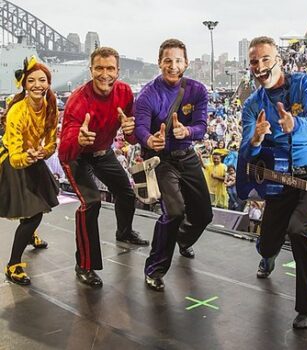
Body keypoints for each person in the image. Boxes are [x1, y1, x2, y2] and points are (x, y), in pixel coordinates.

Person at [238, 36, 307, 329]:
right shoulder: (253, 105)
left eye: (266, 59)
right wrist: (255, 139)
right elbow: (244, 151)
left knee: (300, 230)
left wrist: (295, 124)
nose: (260, 66)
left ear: (278, 60)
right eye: (254, 61)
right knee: (267, 244)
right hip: (280, 178)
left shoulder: (304, 84)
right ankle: (268, 256)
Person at [58, 47, 149, 288]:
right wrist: (78, 140)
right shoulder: (78, 101)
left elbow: (131, 136)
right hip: (77, 155)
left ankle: (124, 232)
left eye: (110, 68)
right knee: (91, 203)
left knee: (126, 193)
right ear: (91, 70)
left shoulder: (125, 92)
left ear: (118, 71)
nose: (104, 74)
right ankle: (84, 265)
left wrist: (131, 132)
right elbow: (64, 152)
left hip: (102, 152)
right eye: (99, 68)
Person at [134, 38, 213, 291]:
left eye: (178, 60)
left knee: (203, 214)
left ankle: (181, 239)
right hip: (160, 159)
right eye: (167, 60)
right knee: (175, 212)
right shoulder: (147, 94)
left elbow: (201, 127)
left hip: (186, 154)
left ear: (186, 63)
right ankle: (154, 269)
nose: (173, 65)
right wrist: (150, 139)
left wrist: (186, 131)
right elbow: (140, 128)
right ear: (160, 63)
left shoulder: (198, 90)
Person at [0, 56, 59, 285]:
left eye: (42, 80)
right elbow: (15, 158)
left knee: (35, 207)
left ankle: (30, 235)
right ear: (24, 84)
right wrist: (30, 156)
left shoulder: (51, 107)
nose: (37, 84)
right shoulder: (17, 112)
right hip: (14, 162)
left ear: (48, 83)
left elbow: (52, 143)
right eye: (31, 80)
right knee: (33, 212)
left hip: (34, 158)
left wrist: (44, 153)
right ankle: (13, 265)